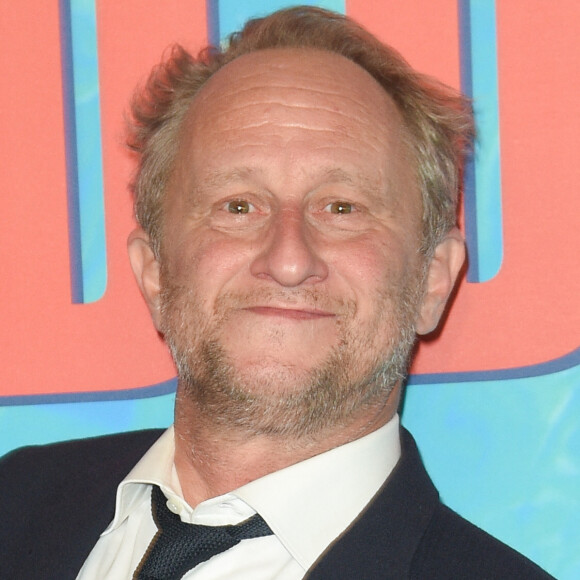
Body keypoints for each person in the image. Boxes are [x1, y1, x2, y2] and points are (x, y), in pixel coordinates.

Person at [0, 6, 553, 579]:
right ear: (155, 273)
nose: (288, 260)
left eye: (342, 208)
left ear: (432, 281)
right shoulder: (15, 506)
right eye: (237, 206)